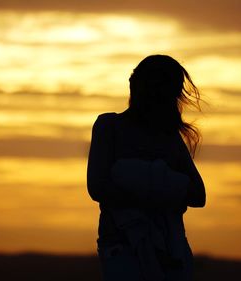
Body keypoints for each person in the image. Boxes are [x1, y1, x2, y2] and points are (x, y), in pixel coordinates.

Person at [87, 54, 206, 281]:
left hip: (171, 254)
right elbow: (98, 187)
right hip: (123, 248)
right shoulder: (109, 127)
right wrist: (163, 187)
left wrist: (142, 182)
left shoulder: (169, 137)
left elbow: (198, 195)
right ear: (134, 85)